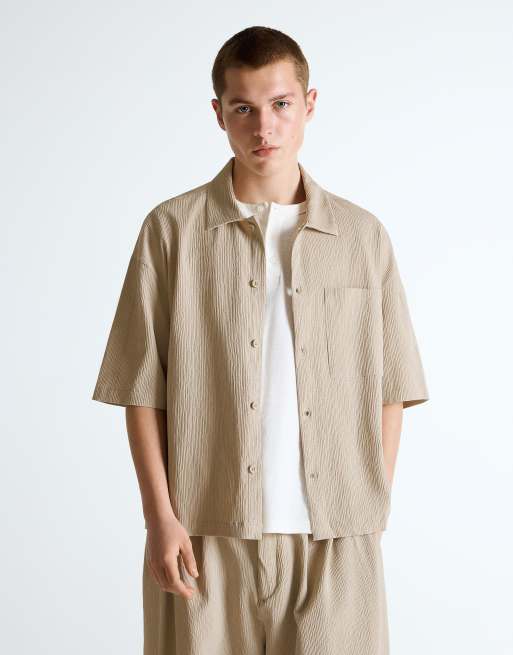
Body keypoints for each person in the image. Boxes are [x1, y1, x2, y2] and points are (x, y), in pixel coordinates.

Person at [92, 25, 429, 655]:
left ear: (310, 104)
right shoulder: (172, 232)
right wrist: (160, 518)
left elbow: (393, 385)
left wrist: (370, 510)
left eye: (280, 104)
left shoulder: (362, 237)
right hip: (204, 534)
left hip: (336, 540)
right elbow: (140, 389)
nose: (263, 127)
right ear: (218, 113)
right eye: (243, 108)